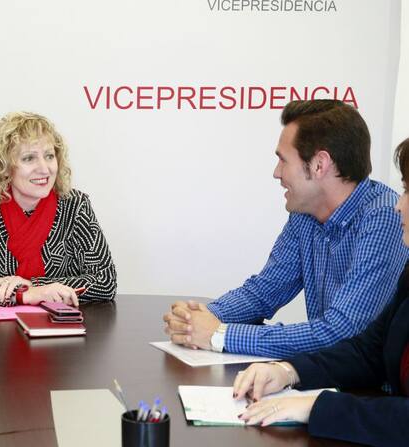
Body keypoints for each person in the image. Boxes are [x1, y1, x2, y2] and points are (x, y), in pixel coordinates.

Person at [163, 100, 408, 358]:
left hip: (366, 381)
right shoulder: (305, 214)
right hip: (326, 373)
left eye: (283, 160)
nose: (276, 173)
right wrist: (196, 319)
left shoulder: (385, 216)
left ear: (319, 164)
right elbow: (264, 292)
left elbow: (341, 331)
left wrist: (219, 335)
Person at [231, 137, 409, 447]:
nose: (399, 205)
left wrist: (317, 406)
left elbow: (341, 330)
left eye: (407, 192)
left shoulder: (380, 214)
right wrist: (288, 371)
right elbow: (368, 350)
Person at [0, 112, 117, 306]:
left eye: (49, 156)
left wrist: (36, 287)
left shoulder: (75, 205)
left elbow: (105, 281)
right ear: (4, 166)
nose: (44, 169)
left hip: (60, 324)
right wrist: (21, 295)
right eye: (29, 158)